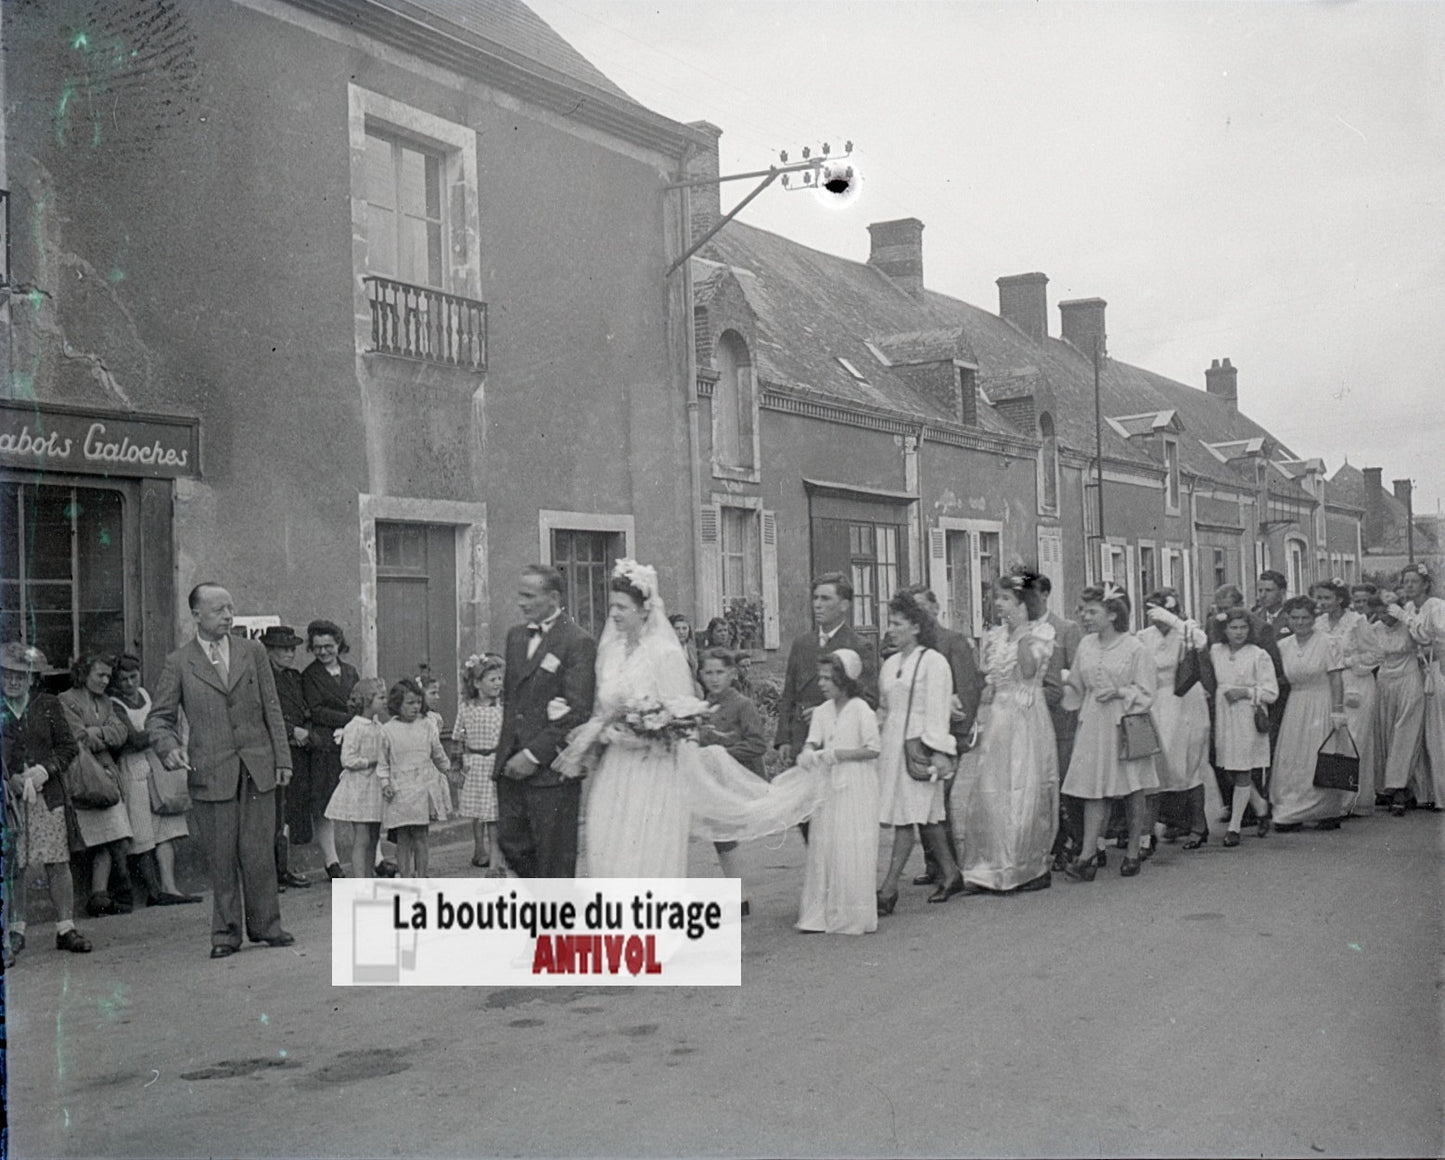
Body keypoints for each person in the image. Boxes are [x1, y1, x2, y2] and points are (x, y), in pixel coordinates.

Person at [148, 583, 294, 959]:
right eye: (218, 610)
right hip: (211, 771)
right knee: (221, 856)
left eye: (230, 608)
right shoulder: (179, 662)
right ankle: (226, 935)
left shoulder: (253, 651)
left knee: (259, 850)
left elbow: (272, 708)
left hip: (258, 766)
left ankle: (267, 926)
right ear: (196, 614)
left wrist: (282, 759)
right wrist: (168, 749)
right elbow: (159, 719)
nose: (228, 616)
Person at [495, 565, 597, 878]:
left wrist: (533, 755)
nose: (521, 603)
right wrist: (509, 755)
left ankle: (553, 918)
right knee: (510, 842)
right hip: (511, 767)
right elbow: (514, 702)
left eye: (529, 595)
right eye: (519, 595)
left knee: (554, 858)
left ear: (553, 597)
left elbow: (578, 711)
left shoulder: (577, 641)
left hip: (552, 771)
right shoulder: (515, 637)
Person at [959, 572, 1058, 893]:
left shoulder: (1042, 632)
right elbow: (989, 681)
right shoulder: (995, 636)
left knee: (1024, 789)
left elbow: (1029, 671)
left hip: (1026, 714)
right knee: (990, 791)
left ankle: (1027, 867)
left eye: (1005, 599)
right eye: (997, 599)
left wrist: (1023, 632)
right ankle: (986, 867)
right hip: (1000, 717)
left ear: (1021, 603)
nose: (998, 605)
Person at [1060, 584, 1159, 881]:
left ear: (1113, 614)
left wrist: (1118, 692)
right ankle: (1087, 856)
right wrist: (1059, 690)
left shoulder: (1135, 648)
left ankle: (1132, 851)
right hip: (1093, 722)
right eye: (1083, 611)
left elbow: (1147, 691)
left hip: (1125, 721)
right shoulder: (1086, 645)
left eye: (1092, 611)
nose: (1085, 617)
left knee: (1131, 786)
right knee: (1094, 787)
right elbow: (1076, 684)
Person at [2, 641, 90, 961]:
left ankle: (65, 928)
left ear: (32, 677)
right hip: (9, 801)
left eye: (20, 675)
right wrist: (9, 779)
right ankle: (16, 929)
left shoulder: (48, 705)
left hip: (47, 795)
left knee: (57, 861)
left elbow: (68, 748)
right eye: (7, 674)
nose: (13, 681)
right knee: (14, 865)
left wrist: (45, 770)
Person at [874, 590, 962, 913]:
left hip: (919, 747)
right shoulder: (890, 664)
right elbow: (884, 708)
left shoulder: (934, 662)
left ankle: (888, 890)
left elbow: (939, 710)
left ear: (915, 626)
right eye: (891, 623)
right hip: (893, 748)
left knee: (906, 819)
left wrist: (939, 752)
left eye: (898, 623)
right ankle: (952, 874)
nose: (892, 629)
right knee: (926, 817)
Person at [795, 649, 880, 934]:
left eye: (827, 679)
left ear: (843, 680)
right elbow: (813, 741)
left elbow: (872, 749)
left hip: (855, 783)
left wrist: (838, 754)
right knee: (827, 843)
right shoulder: (821, 711)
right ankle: (823, 912)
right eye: (820, 678)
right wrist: (808, 752)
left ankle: (852, 912)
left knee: (851, 842)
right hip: (828, 784)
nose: (821, 684)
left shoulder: (860, 710)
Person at [903, 585, 983, 888]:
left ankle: (951, 865)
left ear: (936, 609)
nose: (919, 614)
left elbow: (968, 690)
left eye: (923, 607)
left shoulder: (952, 642)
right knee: (922, 799)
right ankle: (933, 864)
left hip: (947, 735)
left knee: (941, 799)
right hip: (916, 735)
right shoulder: (909, 647)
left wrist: (961, 734)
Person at [107, 654, 201, 905]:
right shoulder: (115, 704)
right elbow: (132, 739)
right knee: (142, 831)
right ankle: (153, 891)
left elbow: (165, 725)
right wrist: (160, 733)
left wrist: (158, 734)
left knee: (166, 828)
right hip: (133, 769)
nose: (129, 683)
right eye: (123, 679)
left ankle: (170, 887)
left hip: (157, 765)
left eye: (133, 677)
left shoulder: (147, 696)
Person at [58, 653, 135, 918]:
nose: (105, 680)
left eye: (107, 676)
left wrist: (96, 733)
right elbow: (77, 737)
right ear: (83, 673)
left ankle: (100, 895)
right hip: (85, 775)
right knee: (100, 840)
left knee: (117, 836)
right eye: (99, 675)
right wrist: (103, 734)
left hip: (107, 776)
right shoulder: (66, 700)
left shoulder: (105, 702)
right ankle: (104, 894)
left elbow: (121, 733)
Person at [775, 573, 878, 767]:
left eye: (825, 598)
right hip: (802, 738)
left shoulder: (859, 646)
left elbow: (870, 698)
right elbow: (789, 694)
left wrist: (826, 712)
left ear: (844, 605)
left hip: (837, 742)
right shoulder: (802, 643)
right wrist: (784, 739)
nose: (817, 604)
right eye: (815, 598)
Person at [1139, 590, 1212, 852]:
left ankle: (1198, 825)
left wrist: (1175, 621)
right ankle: (1150, 830)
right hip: (1157, 702)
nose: (1156, 619)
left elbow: (1202, 642)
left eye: (1162, 612)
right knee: (1158, 767)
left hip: (1184, 700)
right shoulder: (1143, 637)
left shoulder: (1186, 630)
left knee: (1187, 765)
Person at [696, 647, 768, 912]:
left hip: (738, 780)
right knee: (720, 836)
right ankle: (738, 894)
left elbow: (757, 744)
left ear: (731, 673)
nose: (714, 679)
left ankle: (740, 896)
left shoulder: (741, 704)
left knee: (724, 835)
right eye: (708, 673)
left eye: (720, 672)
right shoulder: (702, 706)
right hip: (712, 782)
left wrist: (722, 755)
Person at [1270, 595, 1350, 831]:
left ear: (1314, 618)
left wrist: (1337, 711)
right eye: (1295, 618)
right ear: (1288, 619)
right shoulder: (1283, 646)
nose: (1300, 622)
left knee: (1322, 755)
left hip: (1322, 702)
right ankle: (1291, 811)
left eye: (1305, 617)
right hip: (1296, 704)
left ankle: (1327, 811)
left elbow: (1336, 678)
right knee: (1294, 757)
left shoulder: (1328, 642)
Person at [1209, 607, 1277, 845]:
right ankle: (1260, 806)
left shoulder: (1258, 654)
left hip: (1247, 716)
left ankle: (1234, 827)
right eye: (1233, 628)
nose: (1239, 632)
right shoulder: (1216, 651)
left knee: (1243, 769)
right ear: (1224, 630)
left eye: (1243, 627)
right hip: (1224, 716)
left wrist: (1245, 692)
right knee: (1229, 768)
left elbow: (1271, 692)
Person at [1313, 579, 1380, 817]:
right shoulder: (1318, 623)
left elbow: (1375, 653)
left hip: (1356, 683)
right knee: (1335, 740)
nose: (1321, 603)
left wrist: (1348, 662)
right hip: (1331, 684)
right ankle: (1334, 799)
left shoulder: (1356, 622)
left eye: (1326, 598)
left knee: (1355, 740)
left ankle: (1350, 802)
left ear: (1339, 599)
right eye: (1318, 598)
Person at [300, 620, 357, 878]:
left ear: (338, 645)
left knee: (361, 801)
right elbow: (316, 710)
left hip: (352, 744)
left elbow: (360, 702)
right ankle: (331, 860)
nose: (323, 652)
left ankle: (374, 857)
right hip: (324, 747)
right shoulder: (310, 676)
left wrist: (356, 723)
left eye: (328, 646)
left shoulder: (350, 672)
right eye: (317, 647)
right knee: (325, 804)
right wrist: (350, 719)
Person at [378, 678, 451, 877]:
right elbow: (383, 762)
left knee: (421, 836)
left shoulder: (427, 725)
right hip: (400, 790)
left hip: (422, 786)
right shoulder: (387, 730)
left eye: (418, 702)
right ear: (396, 704)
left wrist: (447, 769)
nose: (415, 707)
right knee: (403, 838)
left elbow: (437, 751)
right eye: (410, 703)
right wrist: (385, 783)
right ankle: (404, 876)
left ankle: (421, 876)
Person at [1037, 575, 1085, 869]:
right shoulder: (1018, 631)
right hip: (1029, 722)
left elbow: (1078, 674)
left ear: (1044, 594)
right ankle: (1049, 842)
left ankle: (1073, 840)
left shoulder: (1065, 629)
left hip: (1060, 719)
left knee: (1065, 781)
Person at [259, 626, 313, 891]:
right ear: (269, 651)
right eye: (284, 649)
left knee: (288, 812)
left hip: (297, 751)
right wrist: (292, 730)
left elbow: (305, 708)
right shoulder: (262, 677)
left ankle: (282, 868)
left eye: (292, 649)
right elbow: (266, 714)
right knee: (272, 813)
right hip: (273, 752)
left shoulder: (294, 677)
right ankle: (268, 873)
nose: (290, 654)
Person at [325, 678, 387, 880]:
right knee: (362, 837)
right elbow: (347, 759)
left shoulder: (378, 725)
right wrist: (371, 762)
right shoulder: (354, 727)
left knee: (374, 836)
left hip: (376, 785)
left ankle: (369, 876)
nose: (385, 701)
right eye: (381, 697)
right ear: (367, 700)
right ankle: (360, 881)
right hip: (359, 786)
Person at [1371, 590, 1426, 815]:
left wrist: (1405, 616)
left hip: (1409, 677)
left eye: (1389, 610)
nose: (1385, 616)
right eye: (1380, 611)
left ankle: (1400, 787)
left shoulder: (1408, 625)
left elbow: (1425, 637)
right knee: (1386, 733)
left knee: (1406, 731)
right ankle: (1388, 786)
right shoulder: (1374, 629)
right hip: (1385, 680)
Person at [1400, 563, 1445, 811]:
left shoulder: (1436, 607)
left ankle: (1441, 794)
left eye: (1414, 581)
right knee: (1418, 731)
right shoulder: (1408, 607)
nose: (1409, 586)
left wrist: (1406, 619)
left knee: (1437, 731)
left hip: (1436, 671)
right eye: (1405, 581)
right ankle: (1423, 791)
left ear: (1426, 584)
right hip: (1414, 672)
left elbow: (1430, 637)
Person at [453, 653, 505, 870]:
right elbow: (458, 737)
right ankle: (479, 848)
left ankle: (495, 857)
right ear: (476, 683)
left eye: (500, 679)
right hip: (475, 763)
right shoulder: (466, 708)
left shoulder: (501, 707)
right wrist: (456, 766)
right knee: (478, 811)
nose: (498, 684)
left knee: (493, 813)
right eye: (493, 680)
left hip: (495, 763)